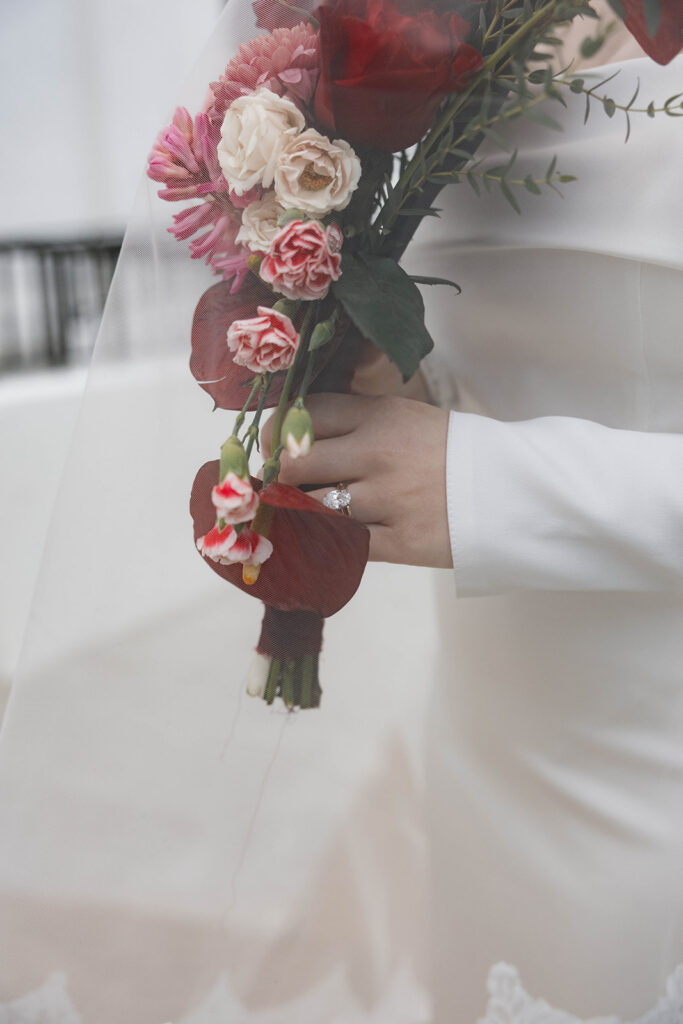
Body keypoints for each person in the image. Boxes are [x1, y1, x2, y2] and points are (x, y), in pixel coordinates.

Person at [0, 4, 681, 1024]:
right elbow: (496, 364)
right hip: (487, 738)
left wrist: (493, 483)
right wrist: (402, 379)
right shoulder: (470, 40)